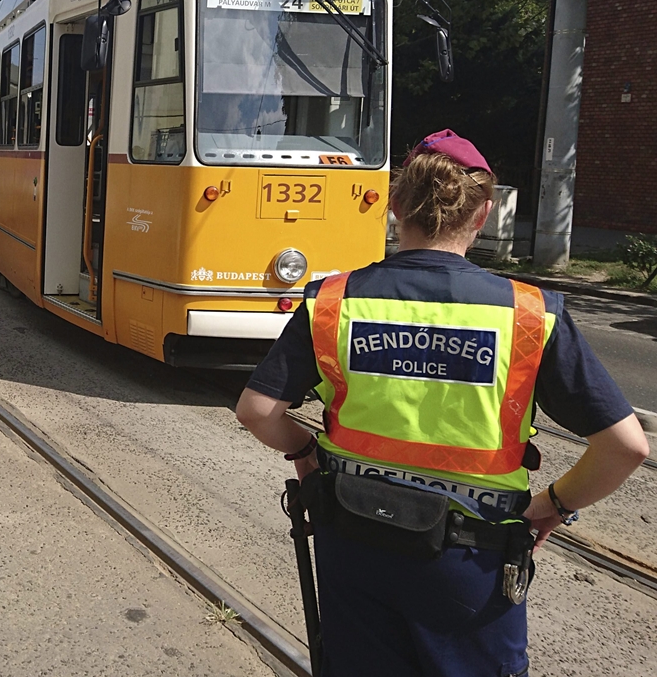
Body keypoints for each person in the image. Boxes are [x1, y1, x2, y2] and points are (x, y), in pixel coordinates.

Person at [235, 129, 649, 677]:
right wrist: (554, 504)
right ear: (483, 215)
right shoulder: (529, 315)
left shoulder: (332, 302)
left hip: (352, 544)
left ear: (395, 204)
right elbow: (625, 448)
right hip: (469, 563)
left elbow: (257, 412)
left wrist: (306, 448)